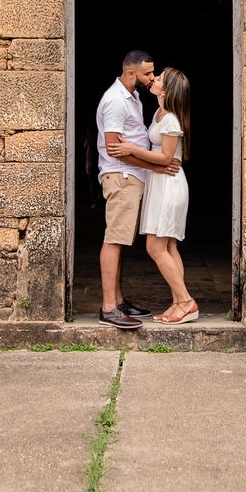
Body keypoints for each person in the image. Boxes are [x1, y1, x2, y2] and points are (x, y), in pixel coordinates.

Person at [95, 50, 180, 330]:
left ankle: (118, 302)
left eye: (153, 73)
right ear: (131, 73)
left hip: (131, 176)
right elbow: (114, 148)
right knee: (114, 239)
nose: (152, 77)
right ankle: (109, 308)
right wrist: (155, 166)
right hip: (122, 176)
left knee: (120, 239)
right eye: (148, 73)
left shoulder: (133, 97)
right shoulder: (115, 101)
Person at [107, 67, 197, 325]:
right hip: (160, 183)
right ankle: (178, 303)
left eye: (159, 78)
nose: (154, 78)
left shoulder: (171, 120)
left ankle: (186, 302)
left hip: (169, 184)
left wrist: (131, 149)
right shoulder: (160, 114)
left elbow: (167, 158)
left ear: (166, 91)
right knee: (169, 247)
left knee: (155, 247)